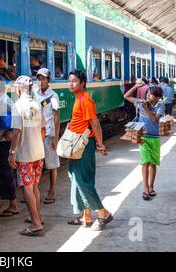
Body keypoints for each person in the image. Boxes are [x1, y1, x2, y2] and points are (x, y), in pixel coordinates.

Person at [66, 70, 113, 231]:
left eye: (74, 81)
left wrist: (100, 144)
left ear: (82, 83)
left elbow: (95, 123)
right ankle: (86, 216)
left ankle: (103, 213)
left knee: (81, 180)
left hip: (84, 146)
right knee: (75, 176)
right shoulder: (78, 98)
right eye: (69, 81)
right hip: (77, 145)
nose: (70, 83)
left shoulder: (85, 100)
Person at [8, 75, 45, 236]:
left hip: (25, 154)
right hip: (38, 152)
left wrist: (12, 153)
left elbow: (17, 131)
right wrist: (37, 142)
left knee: (27, 188)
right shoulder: (36, 104)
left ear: (18, 89)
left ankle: (36, 223)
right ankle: (38, 217)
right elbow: (43, 129)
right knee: (35, 186)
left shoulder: (18, 105)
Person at [125, 83, 164, 200]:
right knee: (145, 162)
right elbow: (127, 96)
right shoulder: (140, 102)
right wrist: (136, 86)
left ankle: (151, 187)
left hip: (155, 138)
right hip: (143, 137)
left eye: (151, 95)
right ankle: (145, 188)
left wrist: (146, 108)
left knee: (153, 163)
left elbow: (154, 119)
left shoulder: (160, 106)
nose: (148, 96)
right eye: (147, 93)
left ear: (157, 98)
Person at [0, 74, 19, 218]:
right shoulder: (1, 100)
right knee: (1, 170)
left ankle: (13, 204)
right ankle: (8, 199)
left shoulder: (5, 101)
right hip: (0, 140)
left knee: (6, 171)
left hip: (4, 141)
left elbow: (16, 121)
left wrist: (9, 132)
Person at [34, 68, 60, 205]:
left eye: (43, 78)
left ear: (48, 80)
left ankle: (52, 191)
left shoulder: (53, 96)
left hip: (49, 134)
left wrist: (56, 139)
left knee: (51, 164)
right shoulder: (35, 94)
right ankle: (33, 191)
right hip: (36, 135)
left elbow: (56, 118)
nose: (40, 81)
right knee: (36, 163)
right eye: (38, 78)